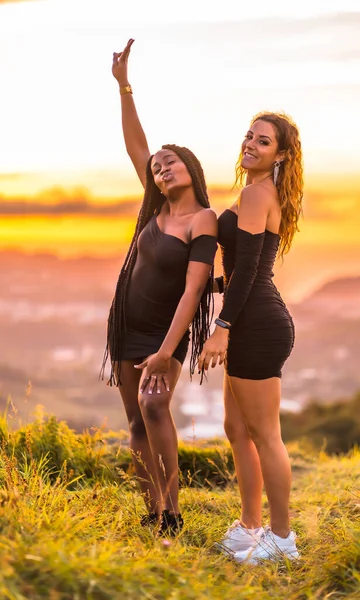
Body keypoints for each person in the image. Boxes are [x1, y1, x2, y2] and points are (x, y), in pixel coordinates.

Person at [101, 39, 218, 536]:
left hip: (164, 334)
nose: (160, 167)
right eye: (156, 167)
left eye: (169, 161)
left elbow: (194, 293)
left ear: (190, 167)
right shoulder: (155, 209)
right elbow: (135, 146)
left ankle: (172, 510)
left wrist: (167, 352)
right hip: (126, 325)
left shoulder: (203, 220)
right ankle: (151, 511)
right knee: (134, 421)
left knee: (154, 406)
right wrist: (124, 87)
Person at [199, 111, 303, 563]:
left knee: (264, 434)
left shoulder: (256, 193)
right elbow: (246, 270)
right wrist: (212, 288)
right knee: (236, 429)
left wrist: (221, 328)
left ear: (280, 154)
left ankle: (281, 540)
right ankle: (249, 527)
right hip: (251, 315)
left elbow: (248, 278)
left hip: (256, 323)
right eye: (248, 136)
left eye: (263, 142)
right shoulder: (261, 193)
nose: (251, 144)